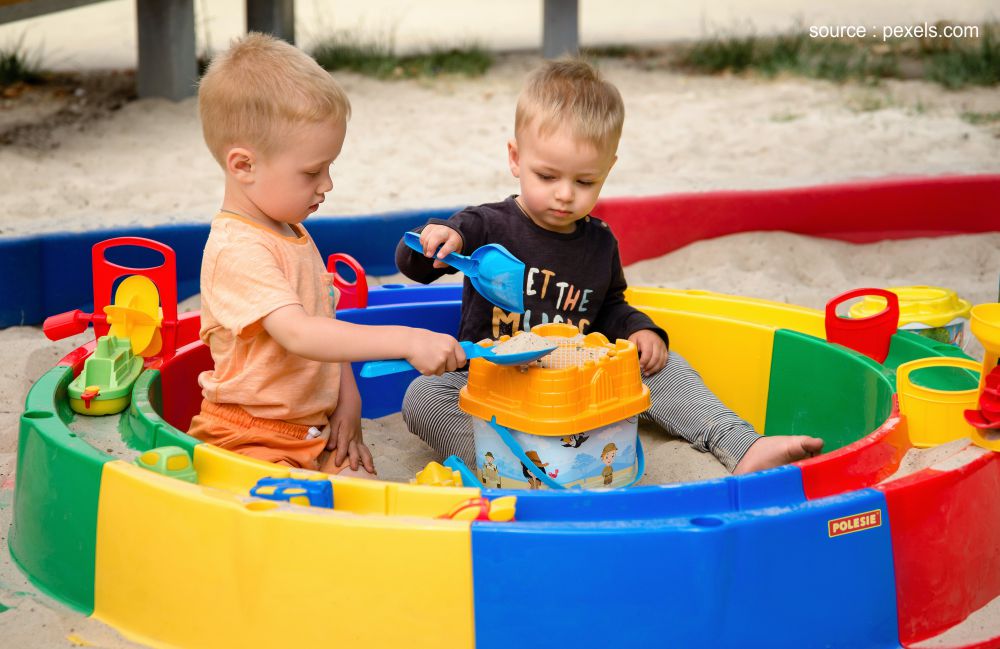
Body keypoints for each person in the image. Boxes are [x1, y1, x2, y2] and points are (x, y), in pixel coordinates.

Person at [396, 58, 823, 475]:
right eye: (547, 176)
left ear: (607, 170)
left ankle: (741, 444)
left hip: (582, 388)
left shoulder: (599, 243)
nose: (565, 195)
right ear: (515, 158)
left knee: (666, 366)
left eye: (584, 182)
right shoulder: (484, 225)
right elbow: (417, 265)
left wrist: (640, 330)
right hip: (493, 388)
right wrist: (437, 239)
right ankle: (511, 470)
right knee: (423, 395)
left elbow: (610, 307)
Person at [188, 33, 466, 477]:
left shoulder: (290, 230)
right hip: (248, 436)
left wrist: (348, 400)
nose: (327, 184)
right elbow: (299, 334)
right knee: (300, 517)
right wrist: (407, 339)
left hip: (310, 431)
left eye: (330, 167)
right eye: (312, 171)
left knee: (363, 495)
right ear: (244, 166)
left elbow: (325, 325)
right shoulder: (237, 249)